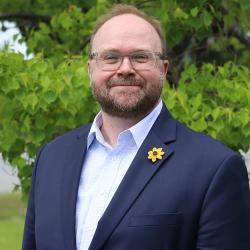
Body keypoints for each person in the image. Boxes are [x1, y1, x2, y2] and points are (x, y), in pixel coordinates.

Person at [22, 4, 250, 250]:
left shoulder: (214, 168)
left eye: (140, 57)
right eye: (111, 57)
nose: (125, 69)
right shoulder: (50, 158)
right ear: (91, 70)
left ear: (163, 69)